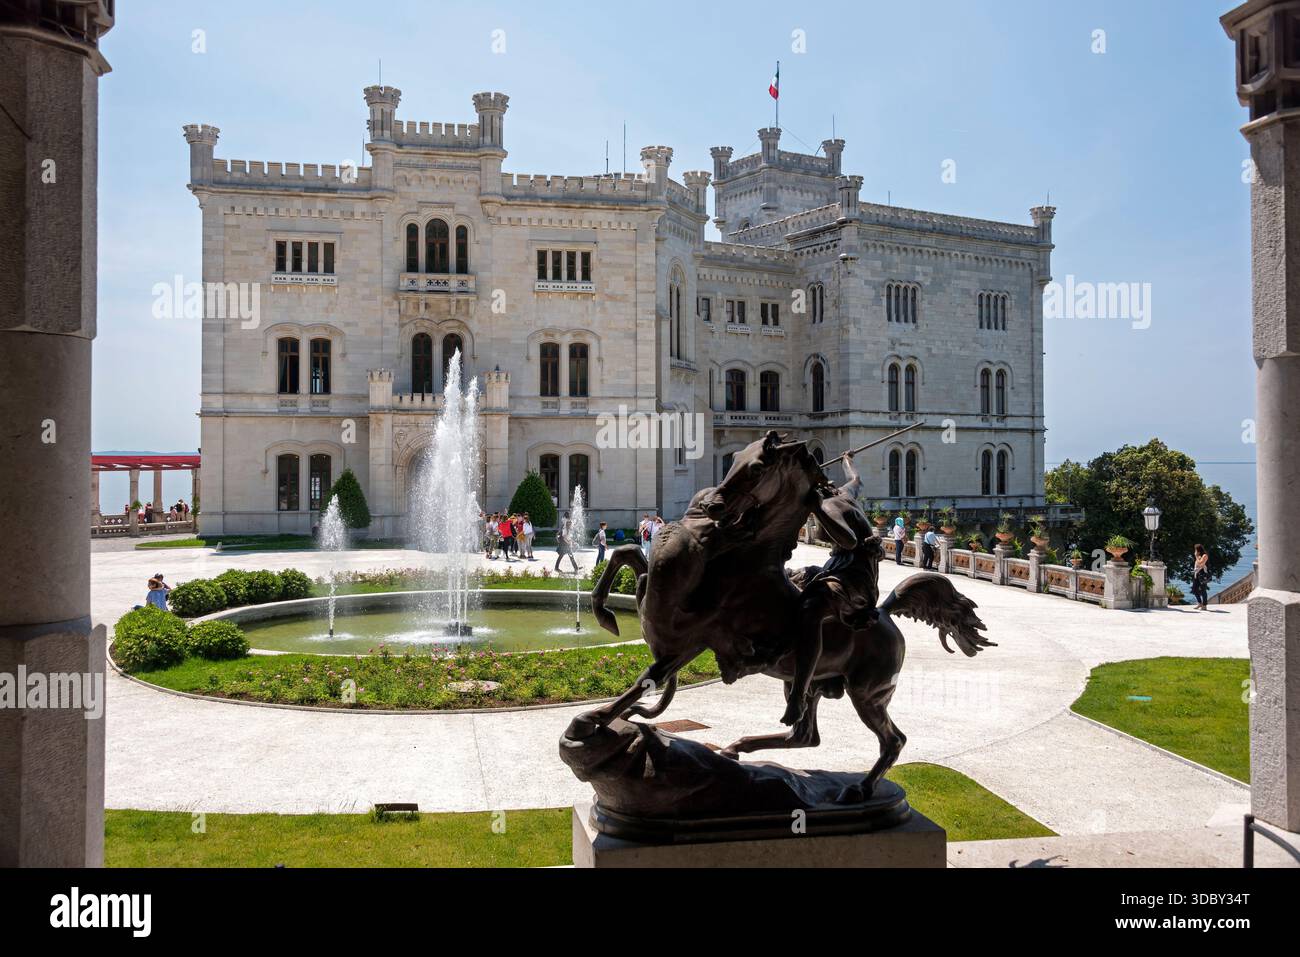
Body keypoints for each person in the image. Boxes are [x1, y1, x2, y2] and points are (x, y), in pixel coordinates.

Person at [783, 452, 881, 727]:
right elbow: (856, 478)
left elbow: (848, 542)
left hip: (853, 578)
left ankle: (798, 694)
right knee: (796, 577)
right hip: (845, 569)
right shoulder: (845, 492)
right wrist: (847, 459)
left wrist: (815, 510)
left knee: (811, 607)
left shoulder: (828, 506)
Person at [1192, 544, 1211, 610]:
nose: (1195, 551)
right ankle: (1199, 603)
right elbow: (1197, 565)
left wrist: (1196, 556)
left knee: (1203, 590)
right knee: (1194, 589)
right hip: (1197, 574)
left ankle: (1204, 605)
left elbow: (1200, 563)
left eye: (1196, 550)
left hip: (1203, 575)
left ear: (1198, 550)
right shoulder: (1199, 556)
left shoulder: (1204, 555)